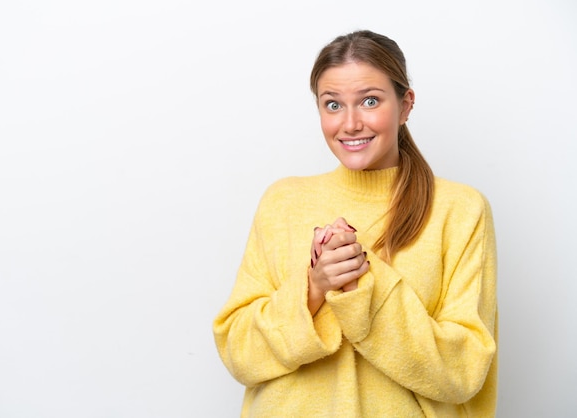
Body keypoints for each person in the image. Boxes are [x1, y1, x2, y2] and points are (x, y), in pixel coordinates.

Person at [213, 29, 498, 417]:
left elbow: (463, 372)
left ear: (406, 104)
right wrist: (314, 288)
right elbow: (238, 353)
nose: (350, 124)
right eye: (332, 105)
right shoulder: (282, 201)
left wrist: (362, 284)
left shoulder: (460, 209)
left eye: (369, 101)